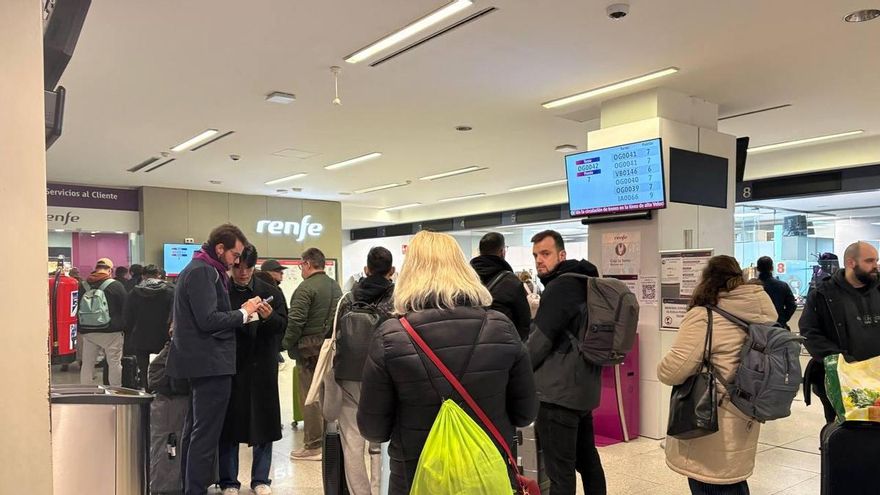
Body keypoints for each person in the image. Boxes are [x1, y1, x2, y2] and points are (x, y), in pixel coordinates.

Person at [357, 231, 537, 494]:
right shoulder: (501, 327)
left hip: (416, 477)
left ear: (410, 272)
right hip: (488, 475)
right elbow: (525, 413)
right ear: (462, 269)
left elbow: (373, 429)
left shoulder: (391, 336)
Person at [658, 255, 777, 495]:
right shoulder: (760, 314)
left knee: (709, 481)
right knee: (732, 480)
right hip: (747, 409)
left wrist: (660, 368)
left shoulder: (705, 316)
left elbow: (674, 370)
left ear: (707, 280)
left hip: (711, 417)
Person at [166, 224, 264, 495]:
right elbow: (208, 320)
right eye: (234, 254)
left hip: (202, 363)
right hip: (209, 363)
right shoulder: (203, 272)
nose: (237, 261)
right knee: (205, 436)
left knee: (196, 432)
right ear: (220, 248)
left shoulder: (202, 269)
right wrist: (243, 313)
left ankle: (190, 488)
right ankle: (194, 489)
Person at [526, 230, 605, 495]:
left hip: (557, 394)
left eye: (545, 254)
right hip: (584, 389)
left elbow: (540, 342)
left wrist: (520, 370)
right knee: (588, 461)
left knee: (560, 471)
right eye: (536, 255)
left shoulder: (560, 287)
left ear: (562, 255)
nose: (539, 260)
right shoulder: (587, 281)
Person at [219, 246, 287, 495]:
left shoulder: (270, 292)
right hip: (231, 365)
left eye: (248, 267)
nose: (243, 273)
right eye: (238, 267)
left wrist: (269, 318)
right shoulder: (221, 290)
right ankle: (228, 480)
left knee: (264, 421)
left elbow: (283, 326)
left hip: (262, 365)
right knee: (229, 423)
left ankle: (261, 479)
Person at [335, 246, 396, 494]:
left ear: (366, 269)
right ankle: (380, 489)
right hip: (384, 376)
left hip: (348, 376)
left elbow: (334, 335)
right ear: (391, 271)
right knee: (381, 441)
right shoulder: (397, 298)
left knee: (352, 442)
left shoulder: (347, 298)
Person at [799, 241, 880, 423]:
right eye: (870, 261)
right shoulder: (822, 294)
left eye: (876, 260)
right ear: (851, 263)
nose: (875, 265)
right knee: (845, 436)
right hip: (842, 382)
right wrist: (841, 361)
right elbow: (809, 333)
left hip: (878, 379)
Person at [282, 247, 342, 460]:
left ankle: (313, 445)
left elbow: (296, 322)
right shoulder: (335, 287)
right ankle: (329, 441)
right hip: (331, 349)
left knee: (310, 397)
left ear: (307, 264)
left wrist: (283, 344)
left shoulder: (305, 289)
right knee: (328, 397)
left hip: (307, 351)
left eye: (301, 266)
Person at [470, 232, 531, 340]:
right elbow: (524, 322)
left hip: (471, 343)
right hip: (502, 345)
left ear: (480, 252)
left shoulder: (466, 279)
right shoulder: (511, 282)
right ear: (502, 252)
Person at [124, 264, 175, 387]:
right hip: (163, 336)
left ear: (143, 276)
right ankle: (160, 395)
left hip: (141, 336)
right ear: (159, 275)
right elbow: (175, 314)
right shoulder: (171, 291)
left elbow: (128, 317)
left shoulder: (134, 292)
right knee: (163, 369)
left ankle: (146, 395)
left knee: (144, 370)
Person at [79, 258, 128, 386]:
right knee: (114, 363)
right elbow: (125, 306)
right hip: (111, 331)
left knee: (87, 363)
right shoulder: (115, 285)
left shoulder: (83, 285)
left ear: (96, 268)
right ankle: (115, 391)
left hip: (88, 330)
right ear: (110, 270)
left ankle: (86, 391)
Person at [754, 256, 797, 327]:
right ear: (772, 268)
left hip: (757, 327)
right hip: (778, 326)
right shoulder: (783, 285)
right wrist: (782, 320)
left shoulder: (751, 286)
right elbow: (792, 305)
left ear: (757, 268)